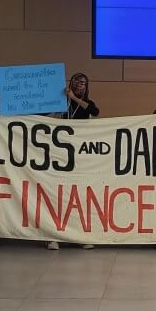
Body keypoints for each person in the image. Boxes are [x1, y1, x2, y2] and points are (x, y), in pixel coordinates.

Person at [48, 73, 99, 250]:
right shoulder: (60, 103)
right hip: (60, 155)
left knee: (79, 198)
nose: (79, 84)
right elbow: (39, 114)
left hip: (80, 157)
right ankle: (53, 237)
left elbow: (94, 111)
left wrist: (73, 98)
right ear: (70, 83)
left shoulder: (88, 103)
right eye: (76, 81)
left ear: (87, 86)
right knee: (58, 196)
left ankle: (80, 236)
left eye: (83, 82)